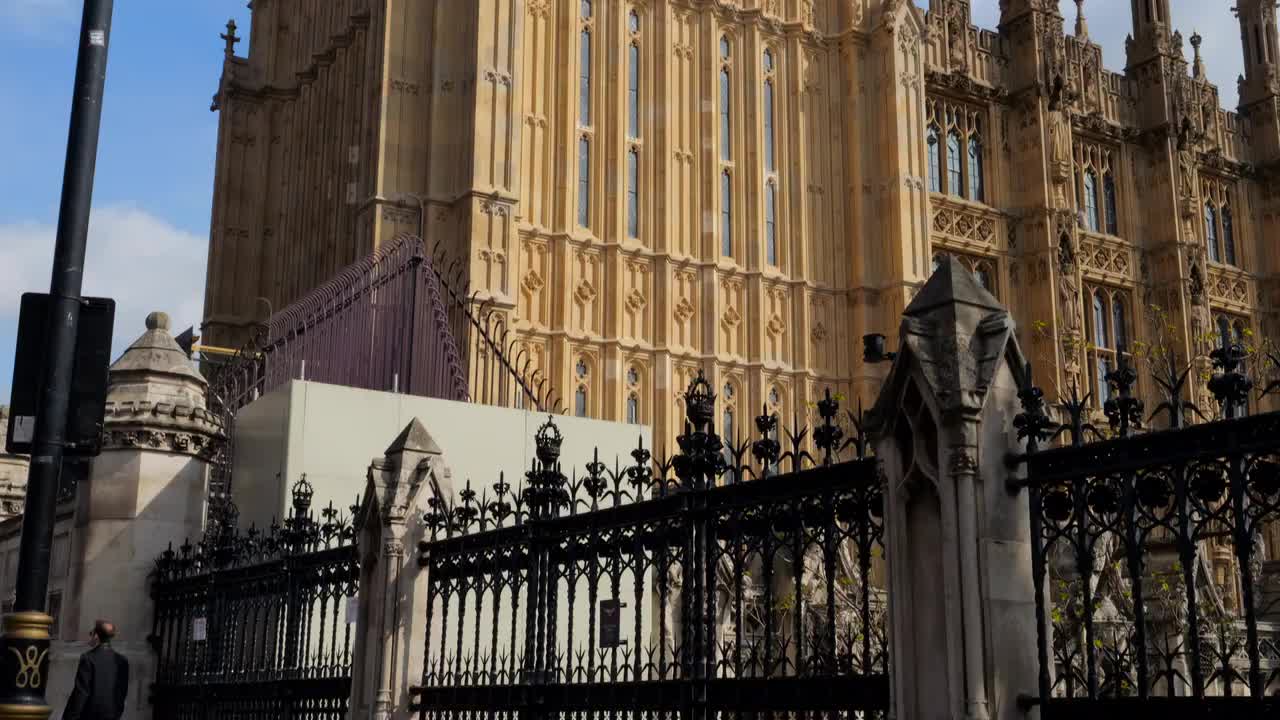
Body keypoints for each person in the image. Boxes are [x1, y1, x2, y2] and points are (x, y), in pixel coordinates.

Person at [62, 620, 129, 720]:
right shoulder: (122, 661)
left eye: (91, 633)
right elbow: (122, 693)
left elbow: (81, 693)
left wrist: (70, 717)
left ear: (96, 636)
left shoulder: (88, 658)